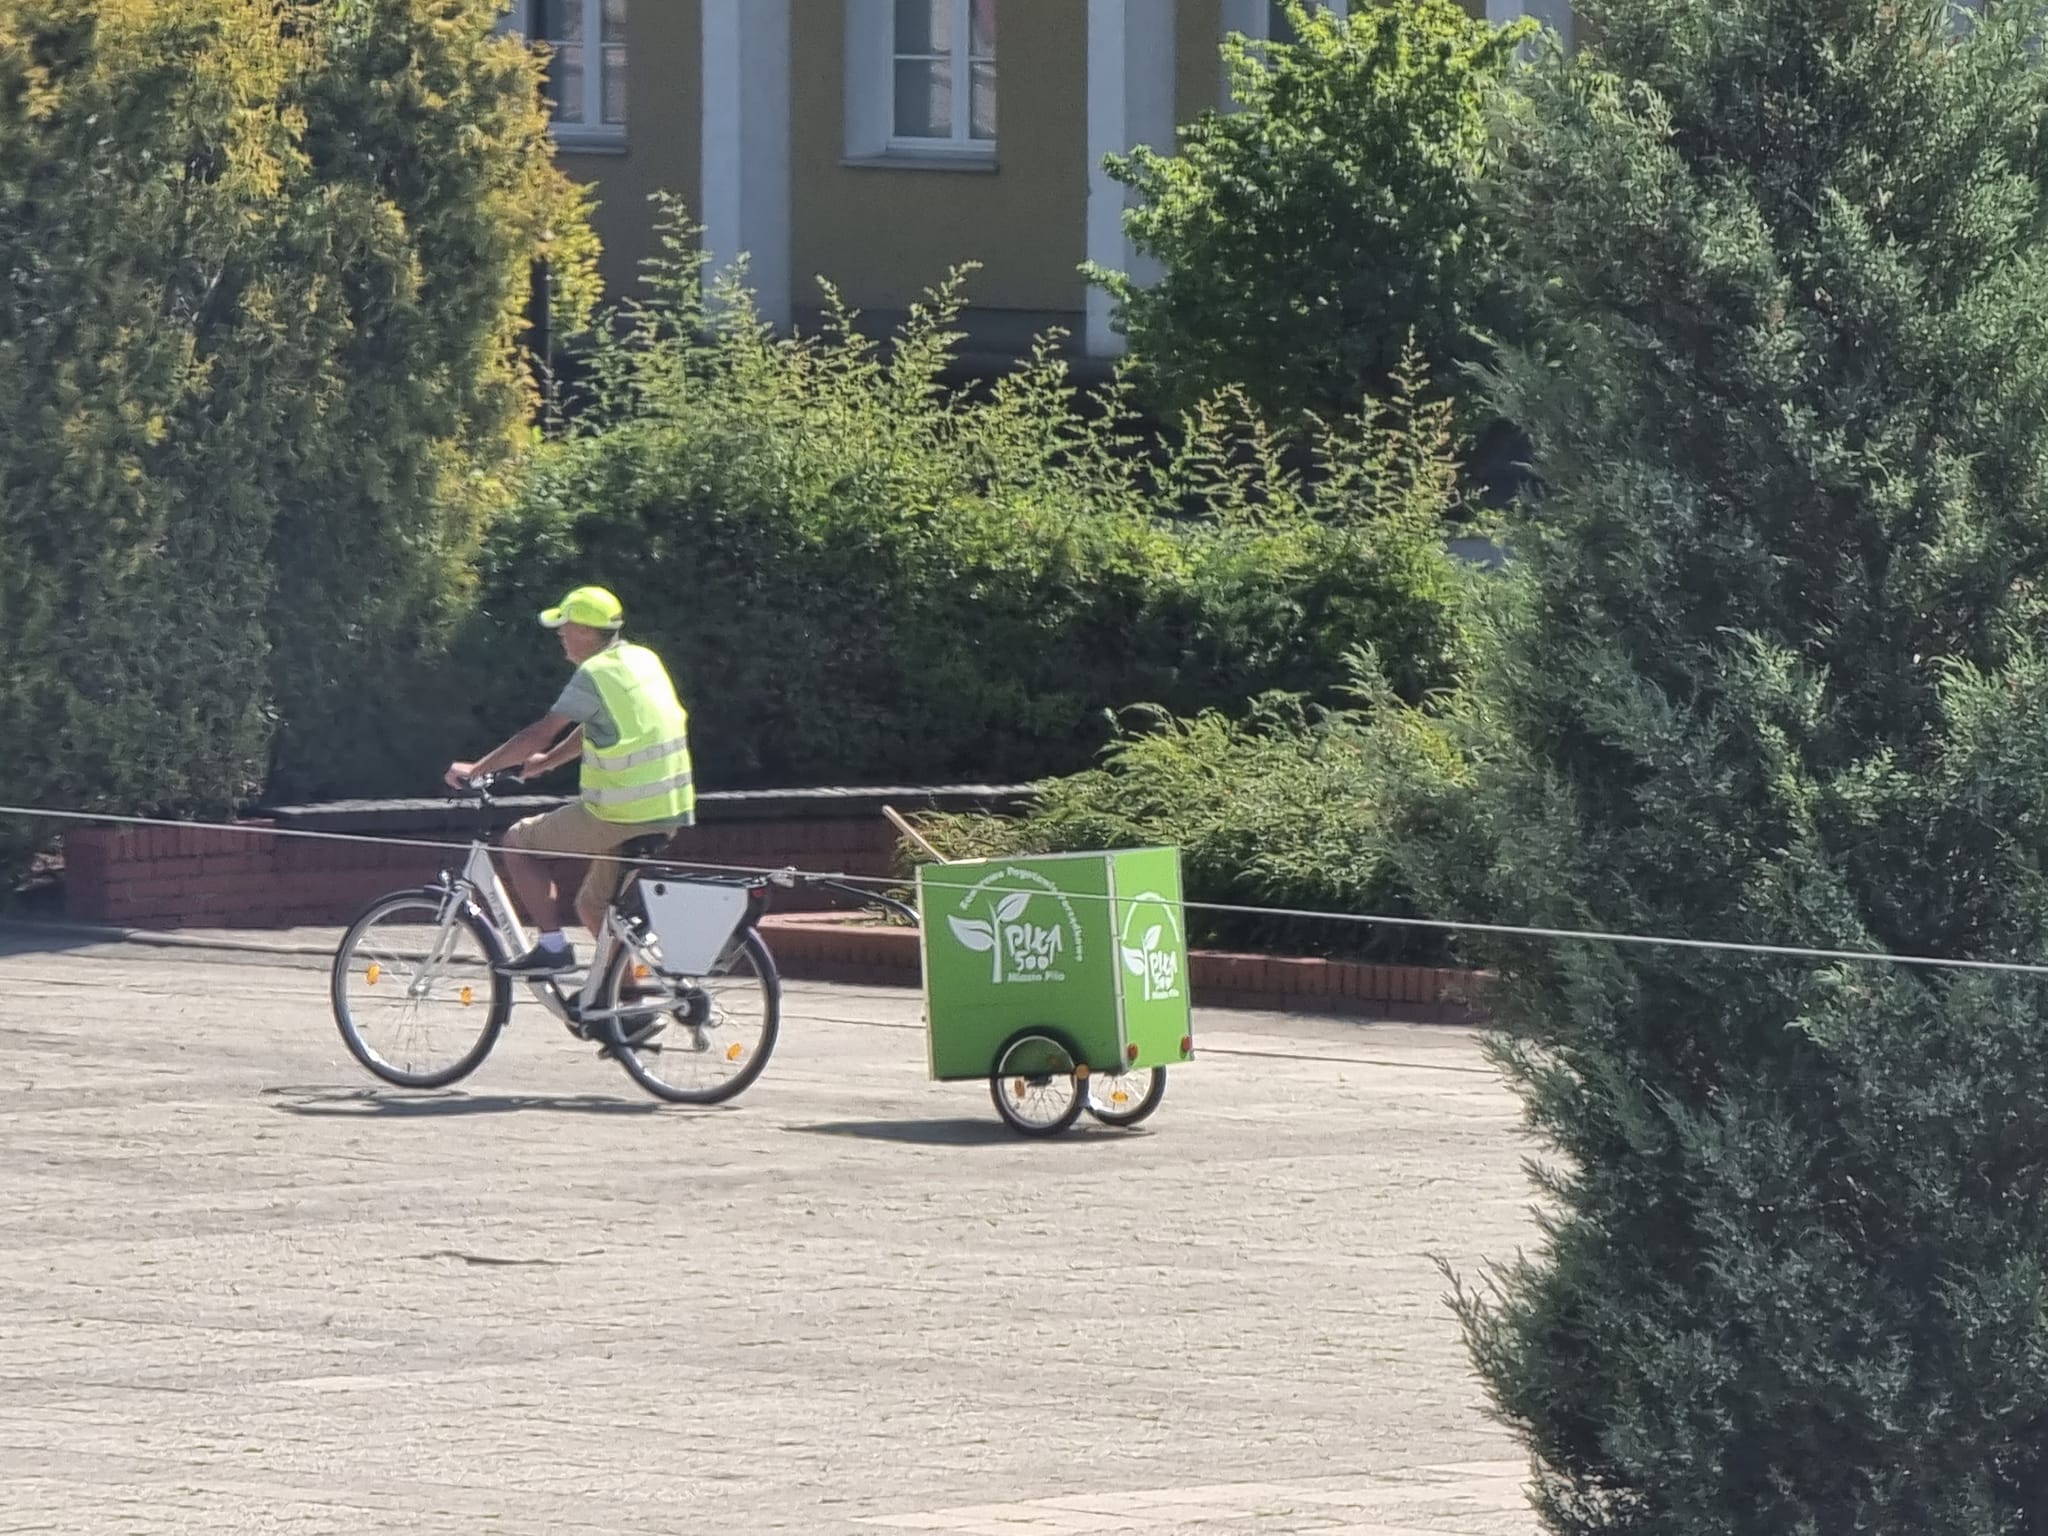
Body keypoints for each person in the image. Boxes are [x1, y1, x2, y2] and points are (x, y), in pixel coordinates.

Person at [444, 585, 695, 974]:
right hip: (669, 809)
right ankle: (627, 1009)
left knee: (516, 843)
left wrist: (478, 770)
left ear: (583, 630)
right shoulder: (642, 659)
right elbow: (600, 722)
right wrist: (548, 763)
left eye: (564, 627)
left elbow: (538, 733)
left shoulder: (594, 673)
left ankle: (552, 947)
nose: (560, 636)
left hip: (618, 811)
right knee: (592, 908)